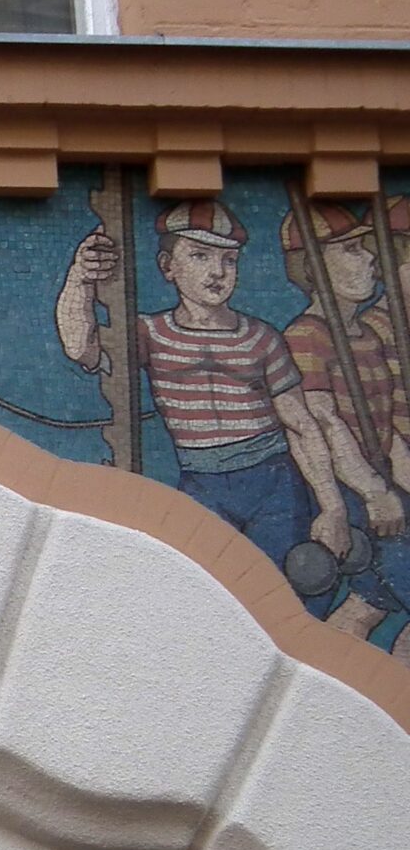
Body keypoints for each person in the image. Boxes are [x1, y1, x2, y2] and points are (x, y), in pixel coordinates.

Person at [54, 198, 347, 593]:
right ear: (168, 266)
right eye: (199, 255)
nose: (217, 271)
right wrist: (80, 278)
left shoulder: (261, 338)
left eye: (229, 260)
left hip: (273, 482)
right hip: (202, 483)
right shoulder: (149, 334)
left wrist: (333, 507)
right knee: (205, 592)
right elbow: (80, 347)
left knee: (279, 590)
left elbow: (300, 424)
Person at [271, 200, 410, 637]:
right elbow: (325, 423)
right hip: (346, 490)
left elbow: (386, 430)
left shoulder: (366, 336)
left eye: (366, 248)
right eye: (351, 250)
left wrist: (400, 484)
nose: (369, 258)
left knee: (370, 606)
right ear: (313, 267)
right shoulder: (306, 334)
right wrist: (374, 493)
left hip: (378, 482)